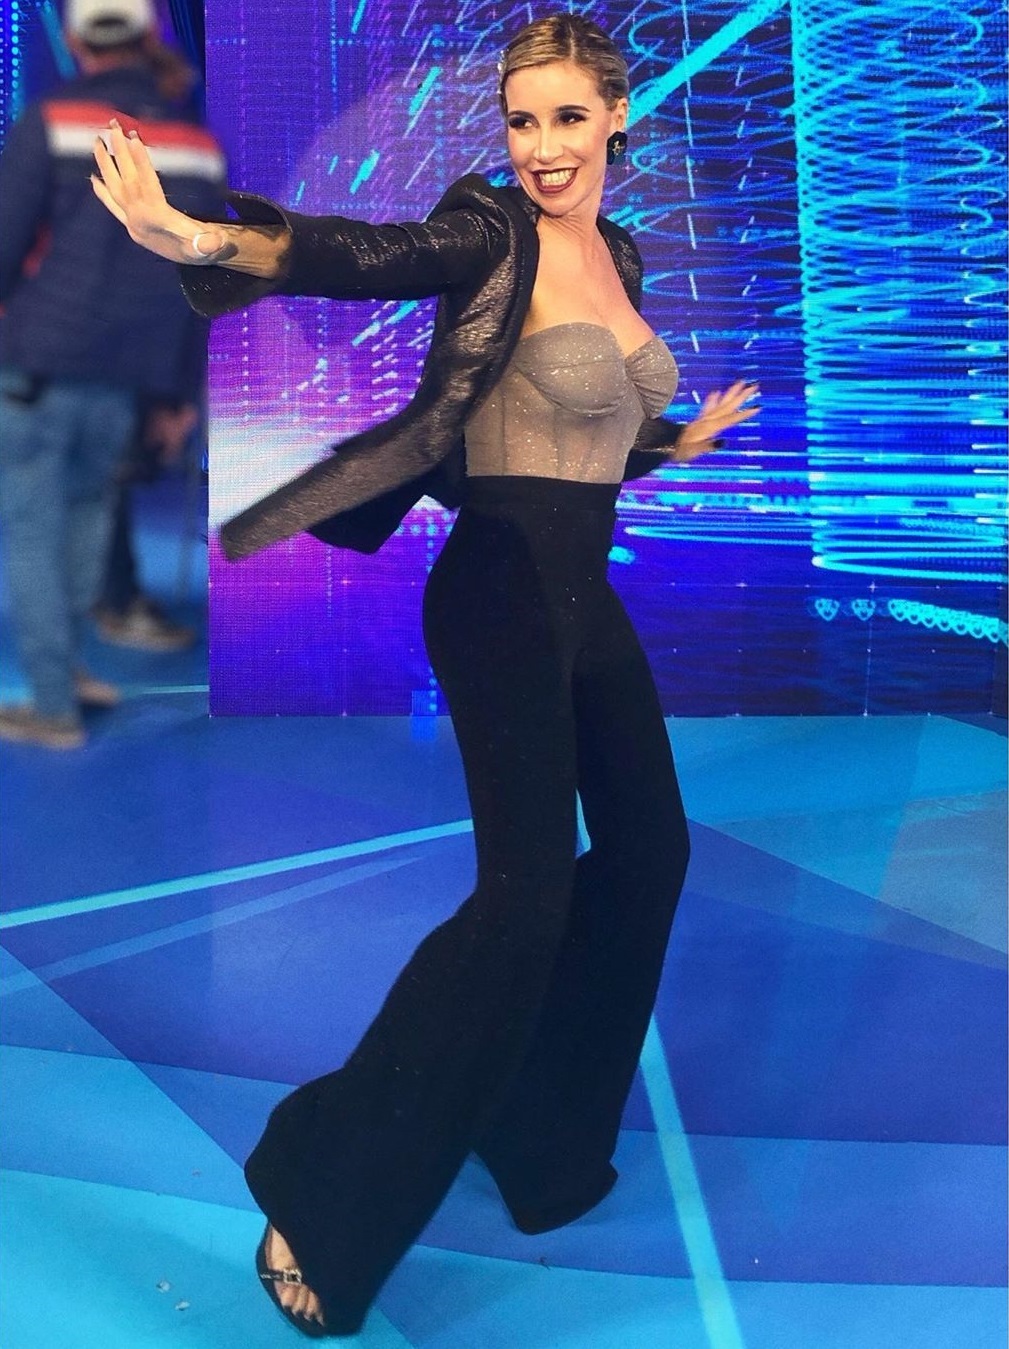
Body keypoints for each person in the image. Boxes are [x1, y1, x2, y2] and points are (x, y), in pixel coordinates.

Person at [92, 12, 758, 1336]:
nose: (542, 145)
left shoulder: (619, 252)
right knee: (519, 906)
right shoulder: (490, 230)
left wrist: (676, 441)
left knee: (651, 853)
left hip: (583, 587)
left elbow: (585, 421)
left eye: (567, 117)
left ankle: (535, 1123)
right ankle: (321, 1183)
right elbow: (366, 254)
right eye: (521, 120)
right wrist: (202, 240)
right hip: (501, 586)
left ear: (616, 115)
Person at [0, 0, 223, 748]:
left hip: (36, 367)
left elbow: (3, 249)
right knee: (88, 523)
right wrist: (177, 395)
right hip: (129, 376)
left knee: (34, 534)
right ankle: (68, 675)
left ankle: (53, 707)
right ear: (148, 35)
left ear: (73, 38)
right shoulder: (195, 145)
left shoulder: (50, 121)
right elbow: (200, 281)